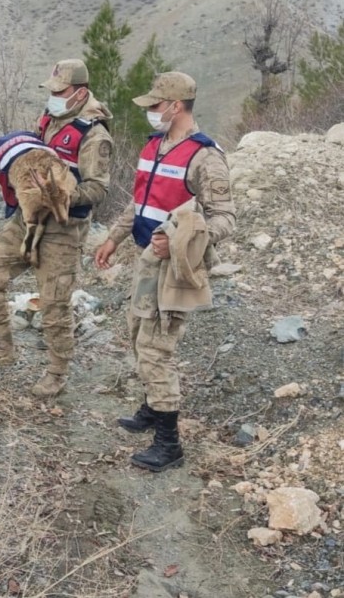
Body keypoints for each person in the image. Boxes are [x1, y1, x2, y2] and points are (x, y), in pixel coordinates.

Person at [94, 71, 236, 472]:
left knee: (158, 349)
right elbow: (140, 201)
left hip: (177, 267)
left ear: (176, 106)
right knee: (139, 334)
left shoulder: (205, 157)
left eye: (156, 106)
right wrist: (114, 238)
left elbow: (225, 219)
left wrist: (178, 241)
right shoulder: (155, 146)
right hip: (146, 258)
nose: (151, 113)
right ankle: (152, 408)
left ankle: (169, 444)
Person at [0, 59, 113, 397]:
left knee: (54, 302)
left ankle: (57, 372)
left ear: (80, 93)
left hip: (66, 225)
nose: (54, 97)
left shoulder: (95, 135)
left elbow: (98, 190)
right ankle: (2, 345)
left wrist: (61, 193)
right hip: (28, 218)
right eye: (52, 91)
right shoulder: (49, 120)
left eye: (60, 92)